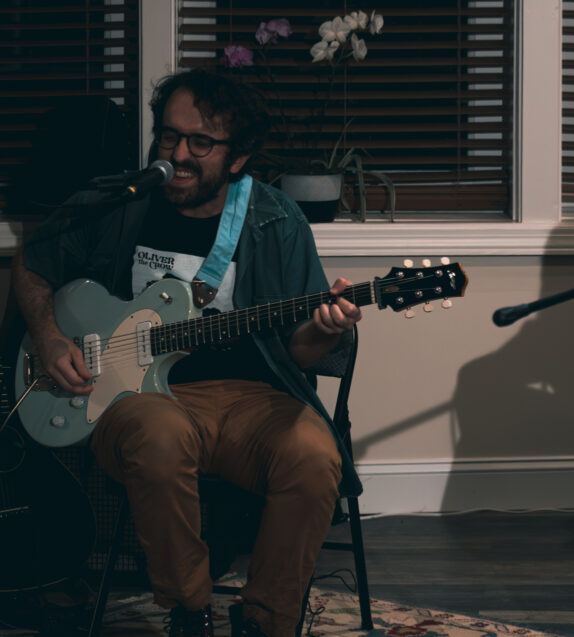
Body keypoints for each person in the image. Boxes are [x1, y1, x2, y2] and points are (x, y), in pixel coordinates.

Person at [12, 68, 362, 637]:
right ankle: (189, 611)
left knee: (315, 456)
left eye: (201, 143)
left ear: (239, 157)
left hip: (252, 398)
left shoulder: (277, 220)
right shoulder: (115, 202)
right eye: (170, 137)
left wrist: (326, 329)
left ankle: (266, 619)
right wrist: (50, 338)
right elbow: (33, 265)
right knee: (160, 437)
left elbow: (301, 352)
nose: (178, 155)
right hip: (137, 398)